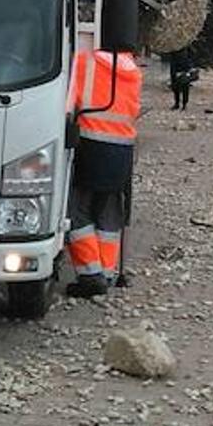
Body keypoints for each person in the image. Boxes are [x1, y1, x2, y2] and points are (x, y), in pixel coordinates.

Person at [65, 43, 142, 298]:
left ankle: (90, 275)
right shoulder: (132, 69)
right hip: (122, 151)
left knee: (76, 210)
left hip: (90, 145)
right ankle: (107, 273)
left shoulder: (86, 60)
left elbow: (68, 104)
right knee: (109, 214)